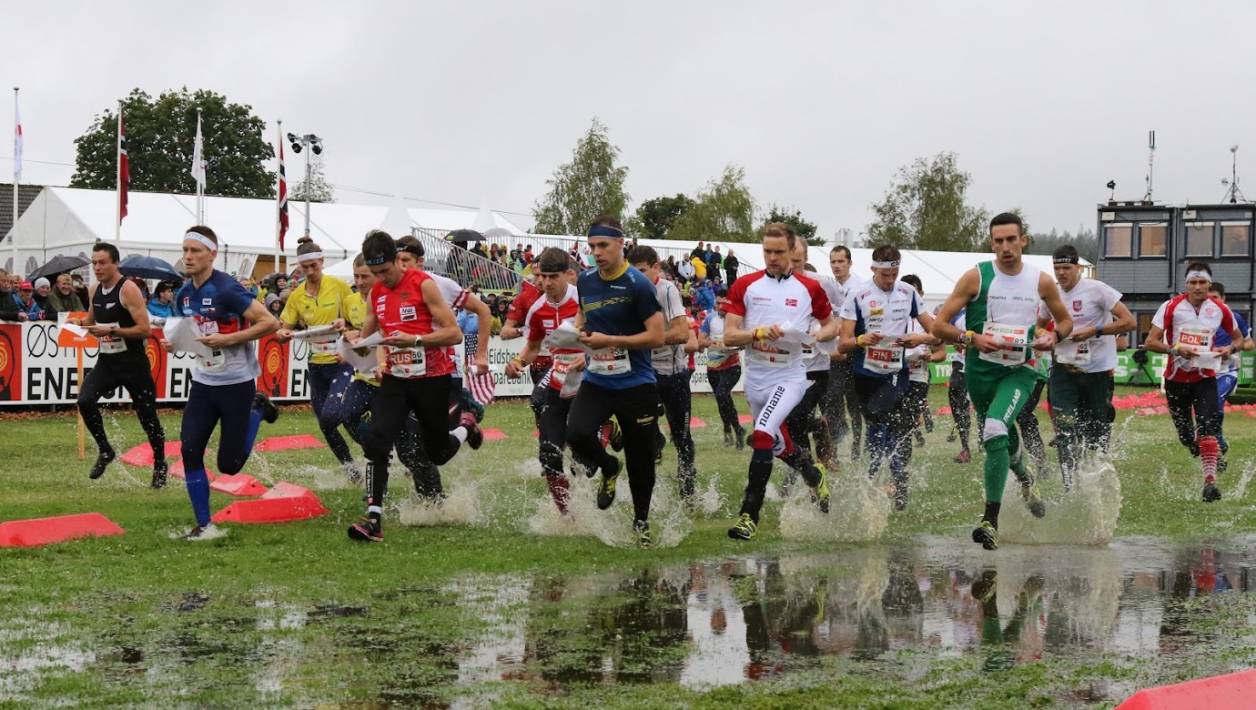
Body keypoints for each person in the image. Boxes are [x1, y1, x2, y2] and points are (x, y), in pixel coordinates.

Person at [932, 212, 1071, 550]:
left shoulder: (1041, 281)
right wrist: (970, 339)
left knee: (994, 428)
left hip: (1019, 371)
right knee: (1001, 441)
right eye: (999, 241)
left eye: (1012, 239)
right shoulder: (975, 278)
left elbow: (1064, 323)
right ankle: (1026, 478)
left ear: (1023, 240)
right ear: (991, 243)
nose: (1006, 247)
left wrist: (1053, 338)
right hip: (979, 372)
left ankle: (989, 521)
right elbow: (939, 326)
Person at [345, 231, 479, 542]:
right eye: (375, 273)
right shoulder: (376, 292)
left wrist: (415, 339)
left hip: (432, 378)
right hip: (396, 378)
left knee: (437, 453)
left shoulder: (423, 284)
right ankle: (374, 520)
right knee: (376, 440)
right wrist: (351, 342)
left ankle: (466, 425)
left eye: (386, 271)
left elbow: (454, 334)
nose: (382, 279)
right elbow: (366, 339)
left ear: (397, 261)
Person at [163, 225, 281, 540]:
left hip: (237, 384)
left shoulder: (227, 288)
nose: (188, 257)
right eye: (185, 250)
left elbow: (270, 322)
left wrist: (230, 339)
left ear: (212, 254)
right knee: (189, 450)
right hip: (203, 382)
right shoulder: (184, 294)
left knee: (229, 466)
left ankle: (258, 410)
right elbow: (189, 333)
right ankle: (204, 525)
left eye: (195, 251)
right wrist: (176, 343)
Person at [721, 223, 837, 541]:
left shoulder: (809, 288)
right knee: (776, 444)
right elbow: (729, 336)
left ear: (792, 252)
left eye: (779, 252)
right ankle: (814, 474)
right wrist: (756, 333)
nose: (772, 258)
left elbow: (832, 325)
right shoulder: (745, 285)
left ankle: (749, 515)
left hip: (790, 377)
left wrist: (817, 336)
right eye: (767, 252)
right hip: (756, 377)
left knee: (761, 435)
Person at [566, 216, 665, 547]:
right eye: (592, 247)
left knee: (640, 457)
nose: (597, 253)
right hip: (598, 378)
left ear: (621, 244)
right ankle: (608, 467)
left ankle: (641, 522)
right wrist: (576, 330)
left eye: (603, 246)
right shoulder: (586, 281)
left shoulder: (639, 284)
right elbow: (584, 314)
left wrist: (613, 340)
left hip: (636, 384)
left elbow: (656, 335)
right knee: (577, 433)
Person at [838, 248, 938, 510]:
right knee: (877, 426)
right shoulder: (857, 294)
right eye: (884, 274)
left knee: (879, 415)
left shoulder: (907, 292)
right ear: (873, 269)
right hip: (864, 374)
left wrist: (920, 338)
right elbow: (842, 344)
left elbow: (935, 332)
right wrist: (860, 339)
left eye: (894, 273)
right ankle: (891, 476)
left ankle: (881, 476)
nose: (889, 279)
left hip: (895, 372)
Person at [66, 242, 168, 487]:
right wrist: (75, 325)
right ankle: (105, 450)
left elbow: (145, 330)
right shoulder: (94, 290)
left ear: (115, 263)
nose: (97, 267)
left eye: (102, 263)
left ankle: (160, 463)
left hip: (133, 364)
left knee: (147, 417)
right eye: (94, 263)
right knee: (84, 400)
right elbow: (91, 321)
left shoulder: (128, 289)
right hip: (108, 362)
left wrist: (112, 329)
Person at [1144, 262, 1244, 502]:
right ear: (1186, 284)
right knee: (1188, 438)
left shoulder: (1220, 309)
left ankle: (1210, 483)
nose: (1197, 287)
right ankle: (1208, 450)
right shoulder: (1170, 307)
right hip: (1176, 379)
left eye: (1202, 283)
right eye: (1193, 282)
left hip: (1205, 376)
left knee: (1208, 426)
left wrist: (1227, 349)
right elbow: (1151, 341)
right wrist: (1176, 349)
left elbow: (1239, 340)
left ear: (1209, 284)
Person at [1038, 244, 1135, 489]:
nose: (1061, 273)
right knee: (1065, 427)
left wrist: (1095, 330)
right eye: (1057, 268)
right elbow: (1037, 325)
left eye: (1066, 268)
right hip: (1063, 370)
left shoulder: (1097, 290)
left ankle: (1095, 476)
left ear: (1078, 268)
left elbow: (1129, 322)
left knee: (1095, 432)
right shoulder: (1051, 294)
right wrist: (1048, 335)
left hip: (1097, 371)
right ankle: (1070, 484)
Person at [505, 247, 584, 513]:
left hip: (591, 373)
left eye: (552, 277)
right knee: (549, 452)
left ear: (568, 275)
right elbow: (533, 346)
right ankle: (567, 516)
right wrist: (517, 362)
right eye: (542, 276)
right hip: (560, 372)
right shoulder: (538, 309)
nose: (546, 283)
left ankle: (607, 429)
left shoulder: (584, 299)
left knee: (584, 456)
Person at [276, 240, 357, 476]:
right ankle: (350, 467)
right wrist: (283, 333)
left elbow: (357, 319)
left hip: (342, 362)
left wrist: (347, 323)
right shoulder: (296, 296)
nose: (310, 272)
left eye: (314, 266)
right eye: (305, 267)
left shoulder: (339, 287)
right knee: (325, 424)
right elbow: (283, 328)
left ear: (322, 262)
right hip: (316, 365)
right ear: (298, 266)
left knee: (333, 415)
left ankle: (369, 439)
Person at [629, 245, 699, 501]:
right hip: (645, 372)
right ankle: (654, 447)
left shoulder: (666, 289)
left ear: (656, 268)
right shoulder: (629, 290)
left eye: (642, 271)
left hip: (674, 374)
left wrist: (647, 339)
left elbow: (681, 333)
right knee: (641, 429)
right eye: (632, 272)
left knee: (681, 437)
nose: (636, 278)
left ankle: (687, 486)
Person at [783, 242, 842, 487]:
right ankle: (809, 472)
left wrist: (826, 332)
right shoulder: (776, 284)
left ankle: (807, 467)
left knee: (796, 417)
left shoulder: (823, 283)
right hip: (788, 366)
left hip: (816, 366)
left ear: (805, 258)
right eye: (789, 262)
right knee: (792, 423)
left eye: (798, 262)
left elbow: (841, 314)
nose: (793, 267)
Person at [821, 246, 866, 463]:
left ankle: (857, 448)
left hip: (854, 354)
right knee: (833, 403)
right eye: (833, 262)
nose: (837, 266)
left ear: (849, 263)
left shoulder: (859, 287)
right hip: (834, 357)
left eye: (841, 261)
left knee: (855, 404)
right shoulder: (827, 287)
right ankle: (836, 450)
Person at [1207, 281, 1253, 465]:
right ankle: (1219, 444)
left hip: (1228, 371)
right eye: (1208, 299)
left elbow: (1249, 344)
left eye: (1215, 298)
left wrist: (1230, 349)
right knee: (1207, 410)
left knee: (1216, 401)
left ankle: (1218, 444)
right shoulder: (1198, 319)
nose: (1212, 302)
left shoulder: (1233, 318)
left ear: (1223, 299)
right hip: (1204, 372)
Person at [899, 275, 946, 451]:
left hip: (919, 376)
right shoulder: (892, 318)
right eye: (905, 293)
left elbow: (941, 352)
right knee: (896, 416)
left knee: (908, 415)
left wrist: (931, 357)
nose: (908, 298)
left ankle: (904, 451)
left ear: (921, 294)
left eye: (914, 293)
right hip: (896, 374)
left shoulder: (930, 321)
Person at [698, 286, 746, 449]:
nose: (720, 307)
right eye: (717, 303)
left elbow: (745, 342)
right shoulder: (710, 319)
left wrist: (733, 346)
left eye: (723, 304)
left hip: (732, 366)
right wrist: (713, 343)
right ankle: (729, 428)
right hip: (713, 367)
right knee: (721, 399)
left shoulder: (737, 319)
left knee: (722, 393)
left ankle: (738, 429)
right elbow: (700, 341)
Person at [946, 308, 975, 463]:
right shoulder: (958, 313)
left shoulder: (987, 309)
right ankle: (965, 448)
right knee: (957, 402)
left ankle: (989, 439)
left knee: (986, 404)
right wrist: (954, 340)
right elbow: (944, 331)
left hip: (982, 365)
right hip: (961, 363)